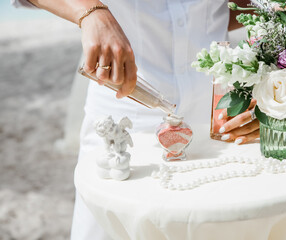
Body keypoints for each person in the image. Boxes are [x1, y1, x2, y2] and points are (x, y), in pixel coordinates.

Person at [11, 0, 257, 239]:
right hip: (123, 108)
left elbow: (246, 6)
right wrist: (91, 13)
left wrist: (267, 81)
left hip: (218, 106)